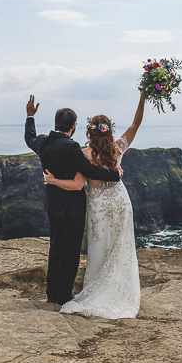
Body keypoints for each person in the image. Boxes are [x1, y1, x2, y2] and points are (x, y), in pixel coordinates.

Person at [43, 93, 145, 319]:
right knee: (122, 247)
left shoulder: (85, 155)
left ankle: (98, 287)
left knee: (100, 249)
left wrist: (52, 181)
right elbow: (136, 124)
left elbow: (77, 185)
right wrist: (142, 97)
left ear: (89, 132)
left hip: (99, 206)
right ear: (110, 130)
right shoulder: (118, 148)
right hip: (120, 202)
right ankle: (121, 288)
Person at [24, 95, 122, 305]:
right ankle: (63, 296)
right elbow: (89, 171)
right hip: (73, 209)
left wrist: (30, 116)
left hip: (53, 205)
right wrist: (116, 175)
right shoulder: (71, 147)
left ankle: (52, 294)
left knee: (55, 249)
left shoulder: (43, 141)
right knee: (70, 253)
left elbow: (29, 138)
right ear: (74, 126)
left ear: (56, 123)